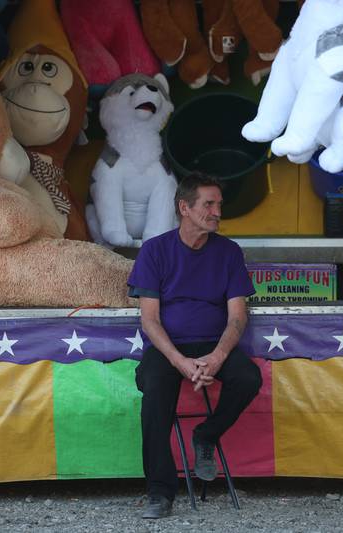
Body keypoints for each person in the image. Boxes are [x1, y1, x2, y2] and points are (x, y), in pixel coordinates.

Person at [128, 172, 263, 519]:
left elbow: (237, 317)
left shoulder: (229, 252)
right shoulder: (155, 251)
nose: (217, 211)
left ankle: (206, 434)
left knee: (248, 378)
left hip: (211, 345)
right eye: (209, 204)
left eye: (219, 204)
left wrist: (217, 357)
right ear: (184, 208)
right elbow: (150, 320)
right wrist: (179, 361)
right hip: (168, 348)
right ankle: (160, 491)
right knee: (155, 390)